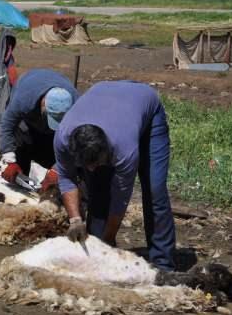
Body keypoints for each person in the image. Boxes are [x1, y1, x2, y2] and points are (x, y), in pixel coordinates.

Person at [53, 80, 176, 272]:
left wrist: (109, 237)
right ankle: (95, 251)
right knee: (98, 185)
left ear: (107, 149)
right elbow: (66, 178)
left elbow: (121, 197)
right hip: (106, 97)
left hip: (147, 111)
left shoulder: (124, 148)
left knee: (155, 189)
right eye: (87, 164)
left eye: (97, 162)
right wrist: (75, 220)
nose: (91, 169)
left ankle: (163, 262)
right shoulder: (62, 138)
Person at [0, 69, 77, 192]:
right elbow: (7, 125)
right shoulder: (24, 99)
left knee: (60, 168)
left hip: (56, 134)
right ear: (43, 105)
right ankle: (20, 192)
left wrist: (57, 169)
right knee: (19, 159)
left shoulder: (76, 103)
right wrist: (9, 160)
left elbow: (73, 142)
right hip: (27, 124)